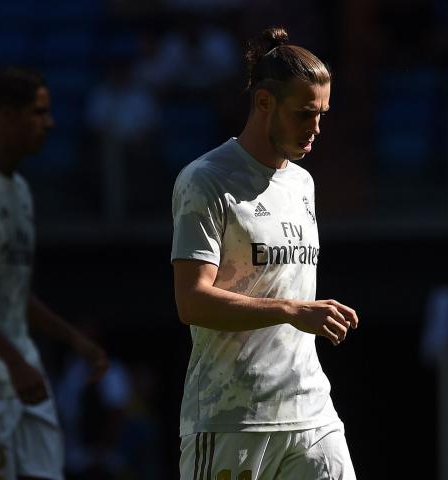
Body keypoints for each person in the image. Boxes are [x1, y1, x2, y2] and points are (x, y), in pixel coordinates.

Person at [171, 27, 359, 480]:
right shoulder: (206, 179)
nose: (316, 128)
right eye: (304, 114)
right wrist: (290, 310)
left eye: (322, 114)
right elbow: (191, 301)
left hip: (311, 412)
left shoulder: (302, 183)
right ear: (263, 102)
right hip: (232, 419)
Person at [0, 67, 108, 480]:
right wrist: (13, 362)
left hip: (22, 368)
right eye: (39, 112)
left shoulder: (21, 190)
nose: (50, 123)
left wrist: (73, 339)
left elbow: (11, 290)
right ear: (7, 116)